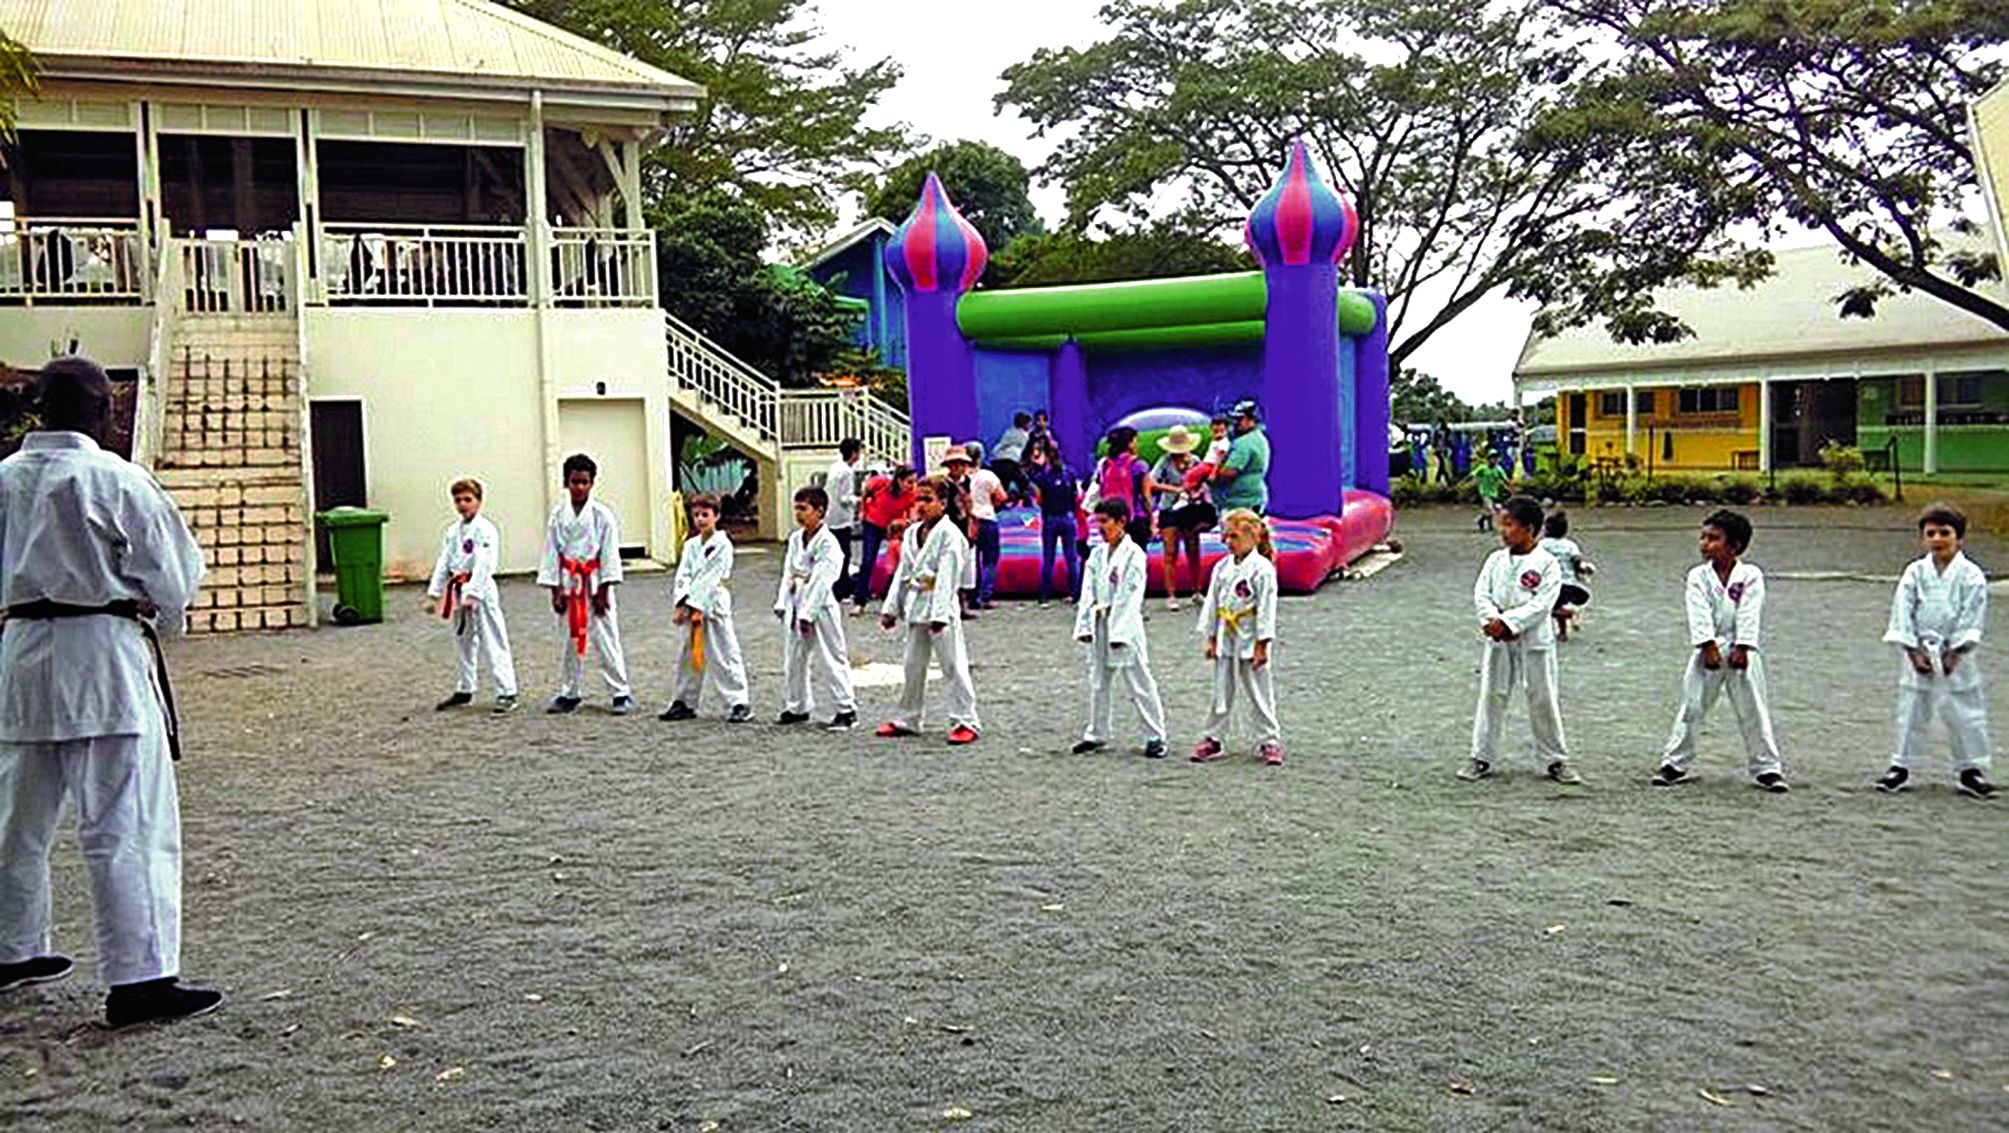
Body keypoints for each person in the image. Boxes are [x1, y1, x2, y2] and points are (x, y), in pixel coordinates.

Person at [0, 355, 221, 1027]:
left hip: (20, 654)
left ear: (38, 407)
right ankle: (140, 977)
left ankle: (11, 948)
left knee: (15, 817)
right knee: (125, 820)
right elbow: (174, 578)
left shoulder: (3, 480)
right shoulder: (117, 479)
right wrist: (163, 611)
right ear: (103, 412)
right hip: (101, 653)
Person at [1650, 509, 1788, 792]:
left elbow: (1750, 612)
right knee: (1693, 706)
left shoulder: (1750, 575)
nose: (1704, 543)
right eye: (1703, 537)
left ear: (1735, 546)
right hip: (1708, 649)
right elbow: (1697, 612)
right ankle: (1674, 764)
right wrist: (1707, 645)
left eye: (1714, 539)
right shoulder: (1698, 576)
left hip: (1741, 650)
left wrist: (1744, 645)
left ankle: (1767, 768)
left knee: (1753, 709)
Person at [1876, 503, 1996, 798]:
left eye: (1945, 532)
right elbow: (1903, 611)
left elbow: (1972, 615)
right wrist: (1913, 651)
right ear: (1922, 539)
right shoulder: (1915, 573)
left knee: (1964, 708)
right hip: (1920, 649)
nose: (1938, 539)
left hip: (1957, 652)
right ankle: (1900, 766)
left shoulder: (1971, 575)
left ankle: (1971, 770)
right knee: (1912, 707)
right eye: (1931, 533)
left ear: (1960, 538)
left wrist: (1956, 652)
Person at [1460, 495, 1581, 785]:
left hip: (1533, 639)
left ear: (1529, 529)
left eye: (1509, 525)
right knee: (1492, 695)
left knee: (1542, 697)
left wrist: (1510, 622)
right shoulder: (1494, 560)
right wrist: (1491, 620)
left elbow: (1542, 604)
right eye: (1502, 524)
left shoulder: (1547, 564)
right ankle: (1481, 756)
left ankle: (1555, 760)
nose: (1503, 531)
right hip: (1498, 638)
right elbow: (1482, 594)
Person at [877, 476, 981, 745]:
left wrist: (940, 616)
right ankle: (908, 718)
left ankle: (965, 719)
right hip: (916, 604)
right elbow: (903, 573)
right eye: (918, 499)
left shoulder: (951, 536)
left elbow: (948, 578)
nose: (921, 505)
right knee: (912, 665)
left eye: (928, 499)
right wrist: (891, 608)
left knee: (953, 665)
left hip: (940, 606)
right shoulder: (912, 533)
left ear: (943, 504)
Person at [537, 453, 633, 715]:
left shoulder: (602, 516)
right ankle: (569, 692)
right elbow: (551, 553)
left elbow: (609, 554)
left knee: (606, 638)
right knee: (569, 640)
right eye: (574, 482)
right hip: (569, 582)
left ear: (592, 483)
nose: (579, 487)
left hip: (595, 580)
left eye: (584, 482)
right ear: (566, 483)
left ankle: (620, 692)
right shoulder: (558, 515)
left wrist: (604, 589)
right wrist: (555, 590)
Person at [1072, 499, 1169, 758]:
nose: (1100, 527)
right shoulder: (1096, 554)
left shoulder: (1134, 554)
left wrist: (1120, 632)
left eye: (1105, 522)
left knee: (1139, 681)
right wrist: (1084, 625)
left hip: (1124, 624)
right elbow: (1087, 592)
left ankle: (1155, 736)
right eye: (1098, 522)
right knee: (1097, 681)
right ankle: (1096, 733)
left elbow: (1130, 594)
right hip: (1099, 620)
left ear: (1122, 521)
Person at [1191, 508, 1283, 765]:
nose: (1227, 542)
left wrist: (1262, 645)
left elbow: (1266, 610)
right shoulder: (1222, 566)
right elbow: (1212, 603)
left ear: (1252, 536)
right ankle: (1213, 738)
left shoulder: (1262, 569)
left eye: (1233, 537)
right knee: (1221, 690)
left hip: (1251, 635)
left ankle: (1269, 740)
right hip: (1226, 634)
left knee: (1259, 691)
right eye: (1226, 536)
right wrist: (1210, 637)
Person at [427, 477, 519, 714]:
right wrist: (435, 593)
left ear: (479, 501)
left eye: (468, 499)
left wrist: (473, 593)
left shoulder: (485, 529)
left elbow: (484, 565)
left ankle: (507, 691)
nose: (462, 504)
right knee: (463, 641)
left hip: (481, 590)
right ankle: (465, 687)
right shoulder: (452, 531)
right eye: (458, 500)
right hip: (457, 589)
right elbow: (444, 562)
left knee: (492, 638)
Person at [660, 492, 751, 724]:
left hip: (714, 603)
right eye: (696, 515)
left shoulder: (723, 545)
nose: (700, 519)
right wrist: (682, 602)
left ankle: (738, 701)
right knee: (687, 655)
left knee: (724, 654)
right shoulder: (691, 545)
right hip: (692, 604)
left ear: (716, 516)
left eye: (705, 514)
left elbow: (711, 578)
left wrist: (695, 604)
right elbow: (684, 575)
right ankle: (684, 701)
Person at [775, 486, 858, 730]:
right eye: (796, 508)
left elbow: (823, 580)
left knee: (831, 656)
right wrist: (782, 602)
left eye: (804, 509)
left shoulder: (829, 543)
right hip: (796, 598)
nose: (799, 514)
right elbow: (788, 572)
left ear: (819, 511)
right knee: (794, 658)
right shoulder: (795, 539)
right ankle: (797, 706)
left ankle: (846, 708)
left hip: (820, 604)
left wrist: (808, 613)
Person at [1148, 424, 1215, 611]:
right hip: (1169, 509)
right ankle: (1171, 594)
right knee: (1170, 552)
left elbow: (1205, 480)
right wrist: (1174, 489)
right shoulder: (1165, 462)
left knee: (1193, 548)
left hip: (1190, 509)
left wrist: (1197, 492)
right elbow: (1152, 482)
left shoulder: (1194, 461)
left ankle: (1196, 591)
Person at [853, 463, 917, 616]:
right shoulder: (881, 483)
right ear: (899, 481)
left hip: (893, 526)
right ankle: (860, 600)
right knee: (867, 561)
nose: (912, 485)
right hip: (873, 523)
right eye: (909, 482)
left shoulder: (911, 493)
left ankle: (896, 599)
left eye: (914, 482)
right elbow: (865, 491)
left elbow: (913, 510)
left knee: (900, 561)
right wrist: (862, 510)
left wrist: (908, 522)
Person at [1027, 439, 1081, 607]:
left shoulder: (1041, 477)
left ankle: (1045, 597)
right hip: (1067, 516)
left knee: (1048, 558)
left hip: (1051, 517)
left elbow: (1039, 499)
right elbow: (1076, 496)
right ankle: (1076, 594)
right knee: (1071, 558)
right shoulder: (1070, 473)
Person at [1538, 511, 1595, 641]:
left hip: (1550, 584)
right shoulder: (1570, 545)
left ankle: (1570, 614)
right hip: (1569, 584)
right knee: (1558, 606)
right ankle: (1563, 633)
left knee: (1544, 610)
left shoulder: (1542, 545)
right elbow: (1577, 561)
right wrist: (1584, 570)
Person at [1093, 426, 1153, 549]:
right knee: (1136, 560)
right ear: (1129, 444)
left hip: (1112, 520)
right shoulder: (1139, 465)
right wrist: (1151, 521)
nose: (1136, 445)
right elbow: (1146, 497)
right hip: (1135, 518)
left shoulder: (1105, 465)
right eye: (1135, 441)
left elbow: (1101, 489)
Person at [964, 443, 1007, 609]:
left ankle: (972, 595)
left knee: (972, 559)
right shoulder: (988, 476)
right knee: (990, 559)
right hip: (987, 517)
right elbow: (1002, 496)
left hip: (969, 519)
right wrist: (992, 504)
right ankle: (985, 595)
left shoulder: (963, 477)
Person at [1211, 398, 1271, 516]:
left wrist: (1210, 475)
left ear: (1252, 420)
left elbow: (1228, 473)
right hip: (1251, 501)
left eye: (1239, 419)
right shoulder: (1259, 438)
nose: (1235, 422)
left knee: (1238, 534)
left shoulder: (1243, 443)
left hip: (1240, 505)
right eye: (1234, 419)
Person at [822, 438, 863, 604]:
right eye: (859, 451)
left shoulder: (835, 468)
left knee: (835, 554)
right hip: (841, 519)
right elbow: (845, 498)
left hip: (831, 517)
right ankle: (841, 590)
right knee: (844, 555)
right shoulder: (846, 472)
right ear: (853, 453)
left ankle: (838, 587)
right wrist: (859, 499)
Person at [993, 412, 1033, 504]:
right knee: (1023, 482)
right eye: (1029, 423)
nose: (1030, 426)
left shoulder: (1008, 432)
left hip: (997, 461)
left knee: (1004, 484)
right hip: (1008, 462)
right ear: (1024, 424)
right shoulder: (1023, 435)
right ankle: (1026, 502)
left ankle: (1001, 503)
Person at [1473, 452, 1507, 533]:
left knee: (1489, 511)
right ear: (1488, 459)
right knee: (1491, 510)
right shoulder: (1482, 468)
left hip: (1494, 493)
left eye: (1496, 458)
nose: (1494, 460)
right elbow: (1473, 475)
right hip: (1484, 492)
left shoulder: (1499, 469)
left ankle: (1483, 521)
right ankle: (1488, 524)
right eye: (1492, 458)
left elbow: (1505, 479)